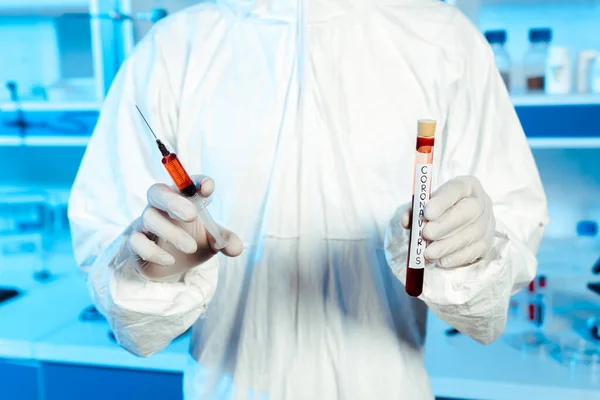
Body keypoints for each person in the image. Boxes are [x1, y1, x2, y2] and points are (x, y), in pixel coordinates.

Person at [68, 0, 548, 398]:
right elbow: (124, 307)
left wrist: (473, 253)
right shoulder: (173, 50)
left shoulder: (443, 41)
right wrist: (151, 271)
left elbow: (489, 308)